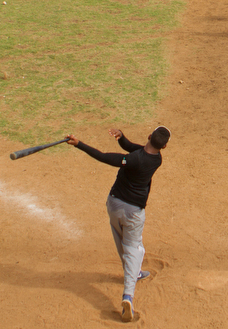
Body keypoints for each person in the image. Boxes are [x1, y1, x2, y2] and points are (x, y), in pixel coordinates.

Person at [66, 126, 170, 323]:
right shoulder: (156, 159)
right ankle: (128, 296)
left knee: (121, 242)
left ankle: (135, 272)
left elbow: (105, 157)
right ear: (164, 146)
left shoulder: (134, 159)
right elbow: (133, 148)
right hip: (133, 213)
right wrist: (122, 138)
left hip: (114, 205)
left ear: (149, 136)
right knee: (134, 248)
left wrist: (79, 144)